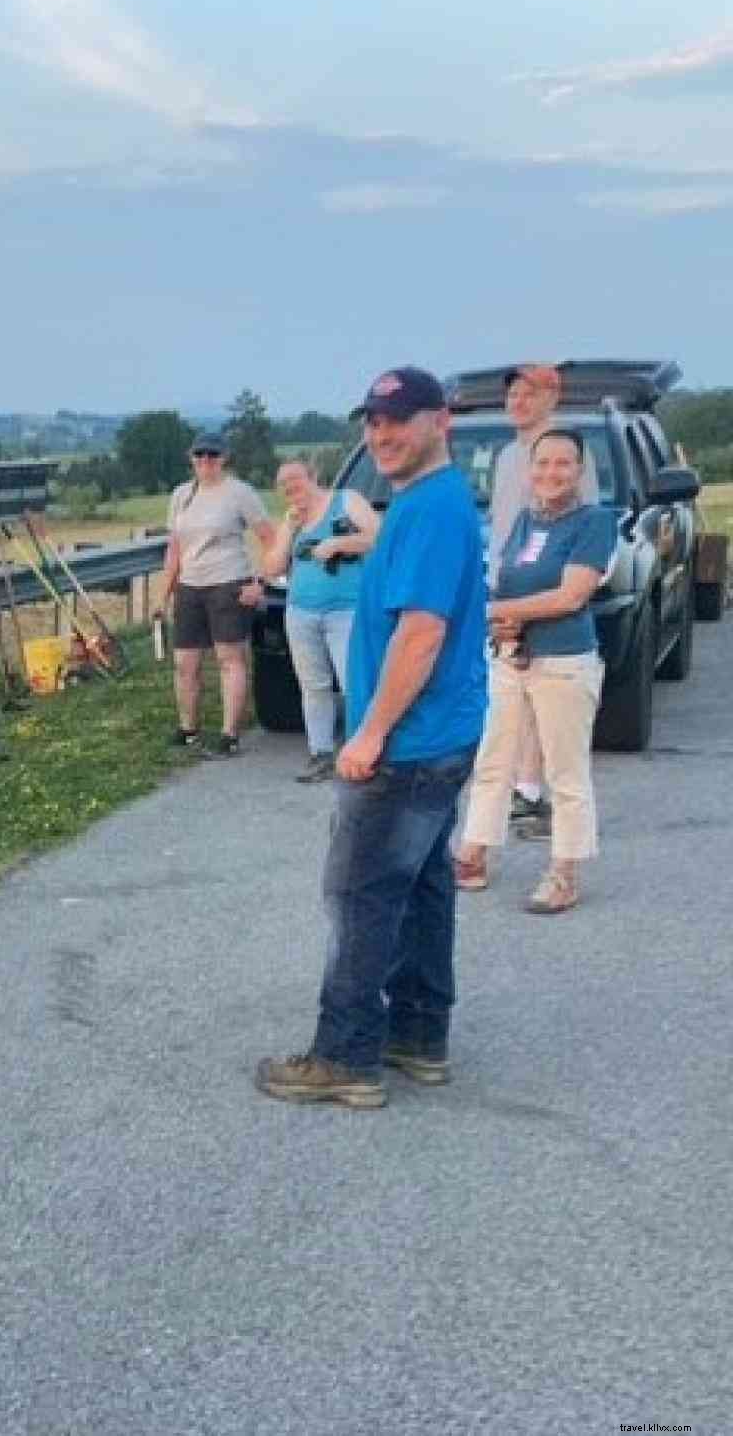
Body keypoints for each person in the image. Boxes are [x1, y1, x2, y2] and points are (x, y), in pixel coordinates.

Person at [257, 367, 487, 1109]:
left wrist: (370, 734)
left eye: (398, 420)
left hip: (407, 743)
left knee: (360, 896)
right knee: (421, 888)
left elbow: (421, 635)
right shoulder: (430, 502)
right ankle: (418, 1036)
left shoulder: (429, 510)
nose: (381, 435)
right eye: (373, 422)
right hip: (440, 735)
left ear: (439, 421)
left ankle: (347, 1055)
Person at [453, 430, 614, 915]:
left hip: (563, 663)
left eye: (563, 464)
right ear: (529, 470)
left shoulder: (594, 522)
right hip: (512, 657)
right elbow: (509, 582)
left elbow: (571, 595)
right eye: (542, 463)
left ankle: (564, 871)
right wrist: (504, 619)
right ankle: (474, 854)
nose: (550, 473)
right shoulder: (526, 521)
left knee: (565, 772)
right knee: (493, 760)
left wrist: (497, 609)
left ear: (580, 471)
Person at [488, 364, 599, 841]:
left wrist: (525, 605)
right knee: (513, 701)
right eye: (512, 394)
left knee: (542, 703)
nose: (518, 402)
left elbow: (579, 529)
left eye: (529, 393)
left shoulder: (565, 454)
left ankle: (534, 797)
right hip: (506, 588)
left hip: (548, 596)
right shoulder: (508, 455)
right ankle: (522, 793)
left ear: (554, 396)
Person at [258, 458, 381, 782]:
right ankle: (321, 753)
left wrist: (340, 543)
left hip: (346, 609)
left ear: (314, 476)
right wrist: (287, 527)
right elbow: (271, 567)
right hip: (301, 612)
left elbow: (379, 537)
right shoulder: (293, 521)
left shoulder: (346, 501)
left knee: (353, 680)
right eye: (285, 486)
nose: (292, 489)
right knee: (313, 685)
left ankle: (364, 750)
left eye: (296, 481)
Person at [159, 433, 278, 757]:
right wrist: (164, 594)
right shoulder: (181, 495)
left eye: (212, 455)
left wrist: (261, 582)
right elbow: (175, 548)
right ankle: (188, 728)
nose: (205, 461)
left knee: (230, 660)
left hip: (228, 583)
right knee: (185, 662)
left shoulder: (239, 493)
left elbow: (271, 539)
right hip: (190, 585)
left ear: (224, 458)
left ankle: (230, 734)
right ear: (191, 458)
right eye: (199, 455)